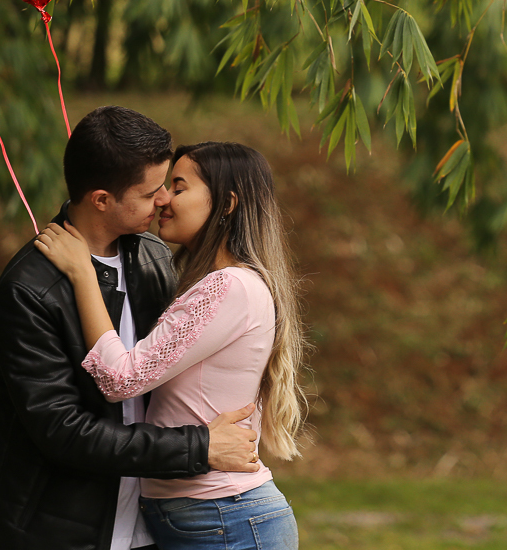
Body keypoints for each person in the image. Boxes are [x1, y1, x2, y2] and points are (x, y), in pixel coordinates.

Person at [0, 108, 261, 550]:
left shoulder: (153, 258)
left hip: (151, 530)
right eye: (151, 192)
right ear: (102, 199)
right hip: (54, 535)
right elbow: (64, 431)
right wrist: (197, 447)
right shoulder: (30, 289)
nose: (164, 199)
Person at [36, 141, 307, 550]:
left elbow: (122, 378)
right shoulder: (221, 284)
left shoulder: (228, 286)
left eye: (178, 187)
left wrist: (82, 273)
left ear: (227, 203)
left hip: (225, 518)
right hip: (213, 516)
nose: (163, 198)